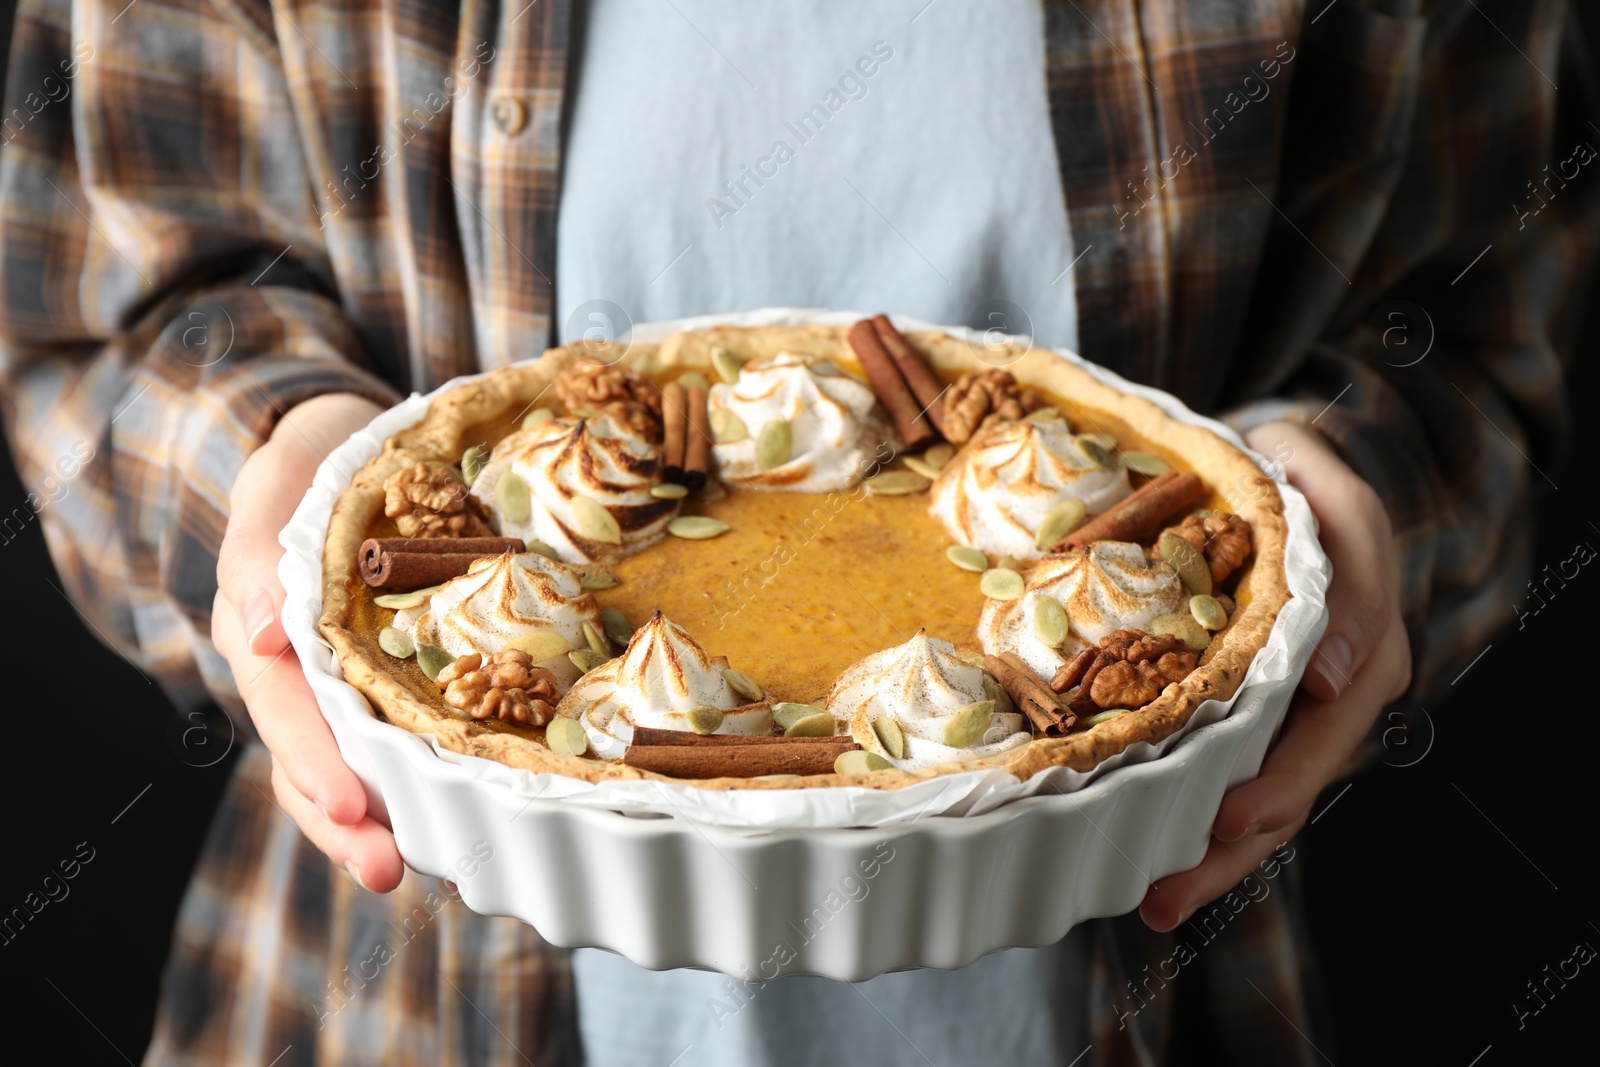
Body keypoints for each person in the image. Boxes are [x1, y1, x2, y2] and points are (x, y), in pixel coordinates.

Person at [2, 1, 1592, 1063]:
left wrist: (1341, 500)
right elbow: (111, 301)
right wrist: (277, 459)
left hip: (1170, 997)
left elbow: (1477, 309)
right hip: (381, 1001)